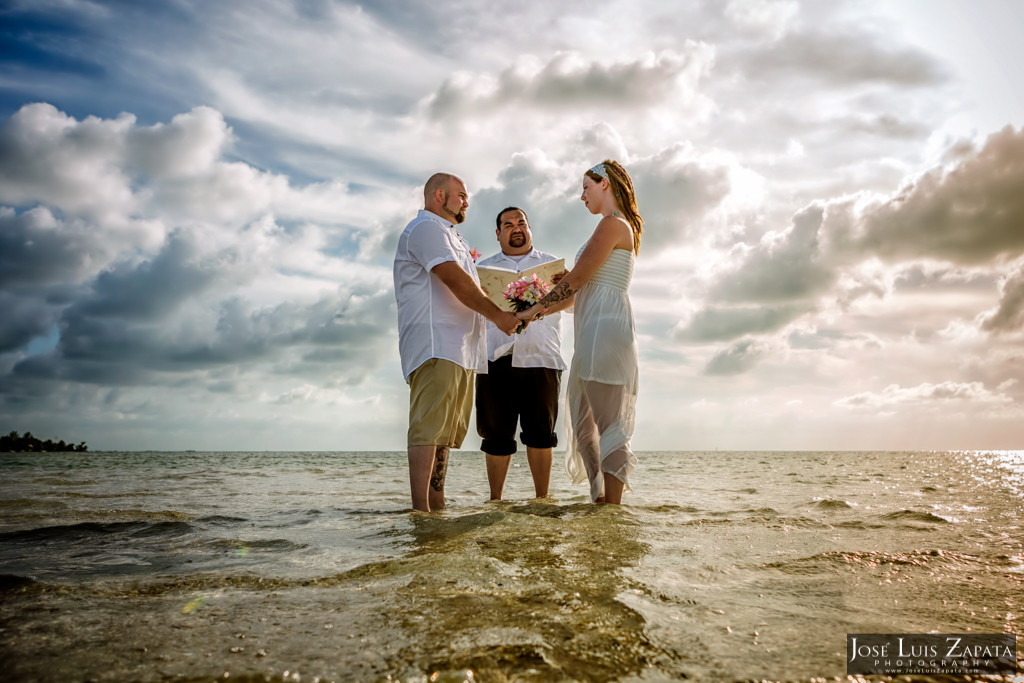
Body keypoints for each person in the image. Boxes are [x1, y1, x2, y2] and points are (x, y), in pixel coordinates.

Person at [393, 173, 522, 512]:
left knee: (445, 434)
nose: (467, 201)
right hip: (436, 343)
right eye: (461, 195)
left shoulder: (452, 236)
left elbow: (473, 283)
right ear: (440, 196)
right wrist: (499, 316)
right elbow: (454, 279)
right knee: (428, 428)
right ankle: (420, 511)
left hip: (461, 348)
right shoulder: (426, 230)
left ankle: (437, 504)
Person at [515, 160, 642, 504]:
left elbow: (578, 280)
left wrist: (535, 306)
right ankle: (598, 499)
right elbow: (576, 294)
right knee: (585, 427)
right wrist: (533, 315)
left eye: (586, 187)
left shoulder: (614, 225)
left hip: (607, 331)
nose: (581, 195)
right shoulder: (604, 228)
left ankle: (612, 510)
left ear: (605, 185)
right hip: (590, 331)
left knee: (608, 423)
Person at [475, 207, 567, 500]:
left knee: (541, 436)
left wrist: (565, 287)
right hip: (495, 357)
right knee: (496, 436)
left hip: (541, 357)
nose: (516, 228)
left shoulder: (552, 266)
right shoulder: (481, 271)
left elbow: (576, 303)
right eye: (508, 224)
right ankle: (495, 501)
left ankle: (542, 500)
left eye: (521, 223)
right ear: (498, 233)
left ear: (530, 228)